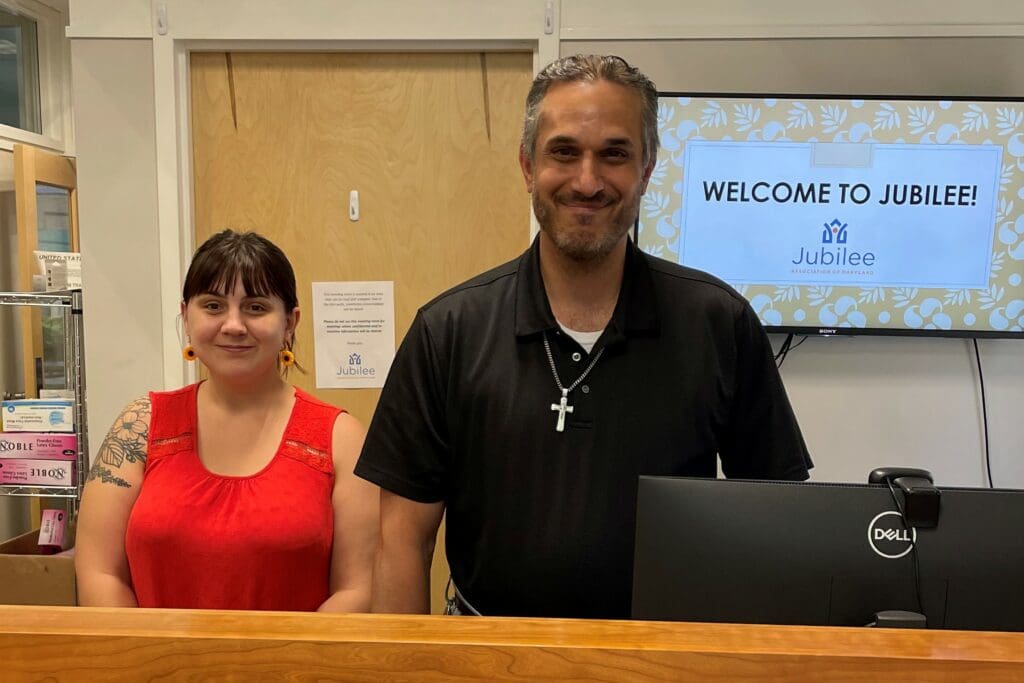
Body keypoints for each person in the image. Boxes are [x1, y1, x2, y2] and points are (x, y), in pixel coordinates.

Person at [354, 54, 812, 619]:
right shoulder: (447, 332)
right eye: (564, 152)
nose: (588, 181)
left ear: (645, 170)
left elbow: (778, 526)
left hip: (662, 661)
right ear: (527, 165)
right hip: (489, 657)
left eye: (614, 154)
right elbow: (401, 542)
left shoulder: (719, 324)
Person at [75, 229, 378, 611]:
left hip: (292, 669)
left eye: (255, 307)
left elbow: (356, 591)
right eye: (214, 306)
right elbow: (100, 572)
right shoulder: (141, 425)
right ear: (186, 315)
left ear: (290, 322)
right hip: (153, 666)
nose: (233, 325)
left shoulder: (340, 439)